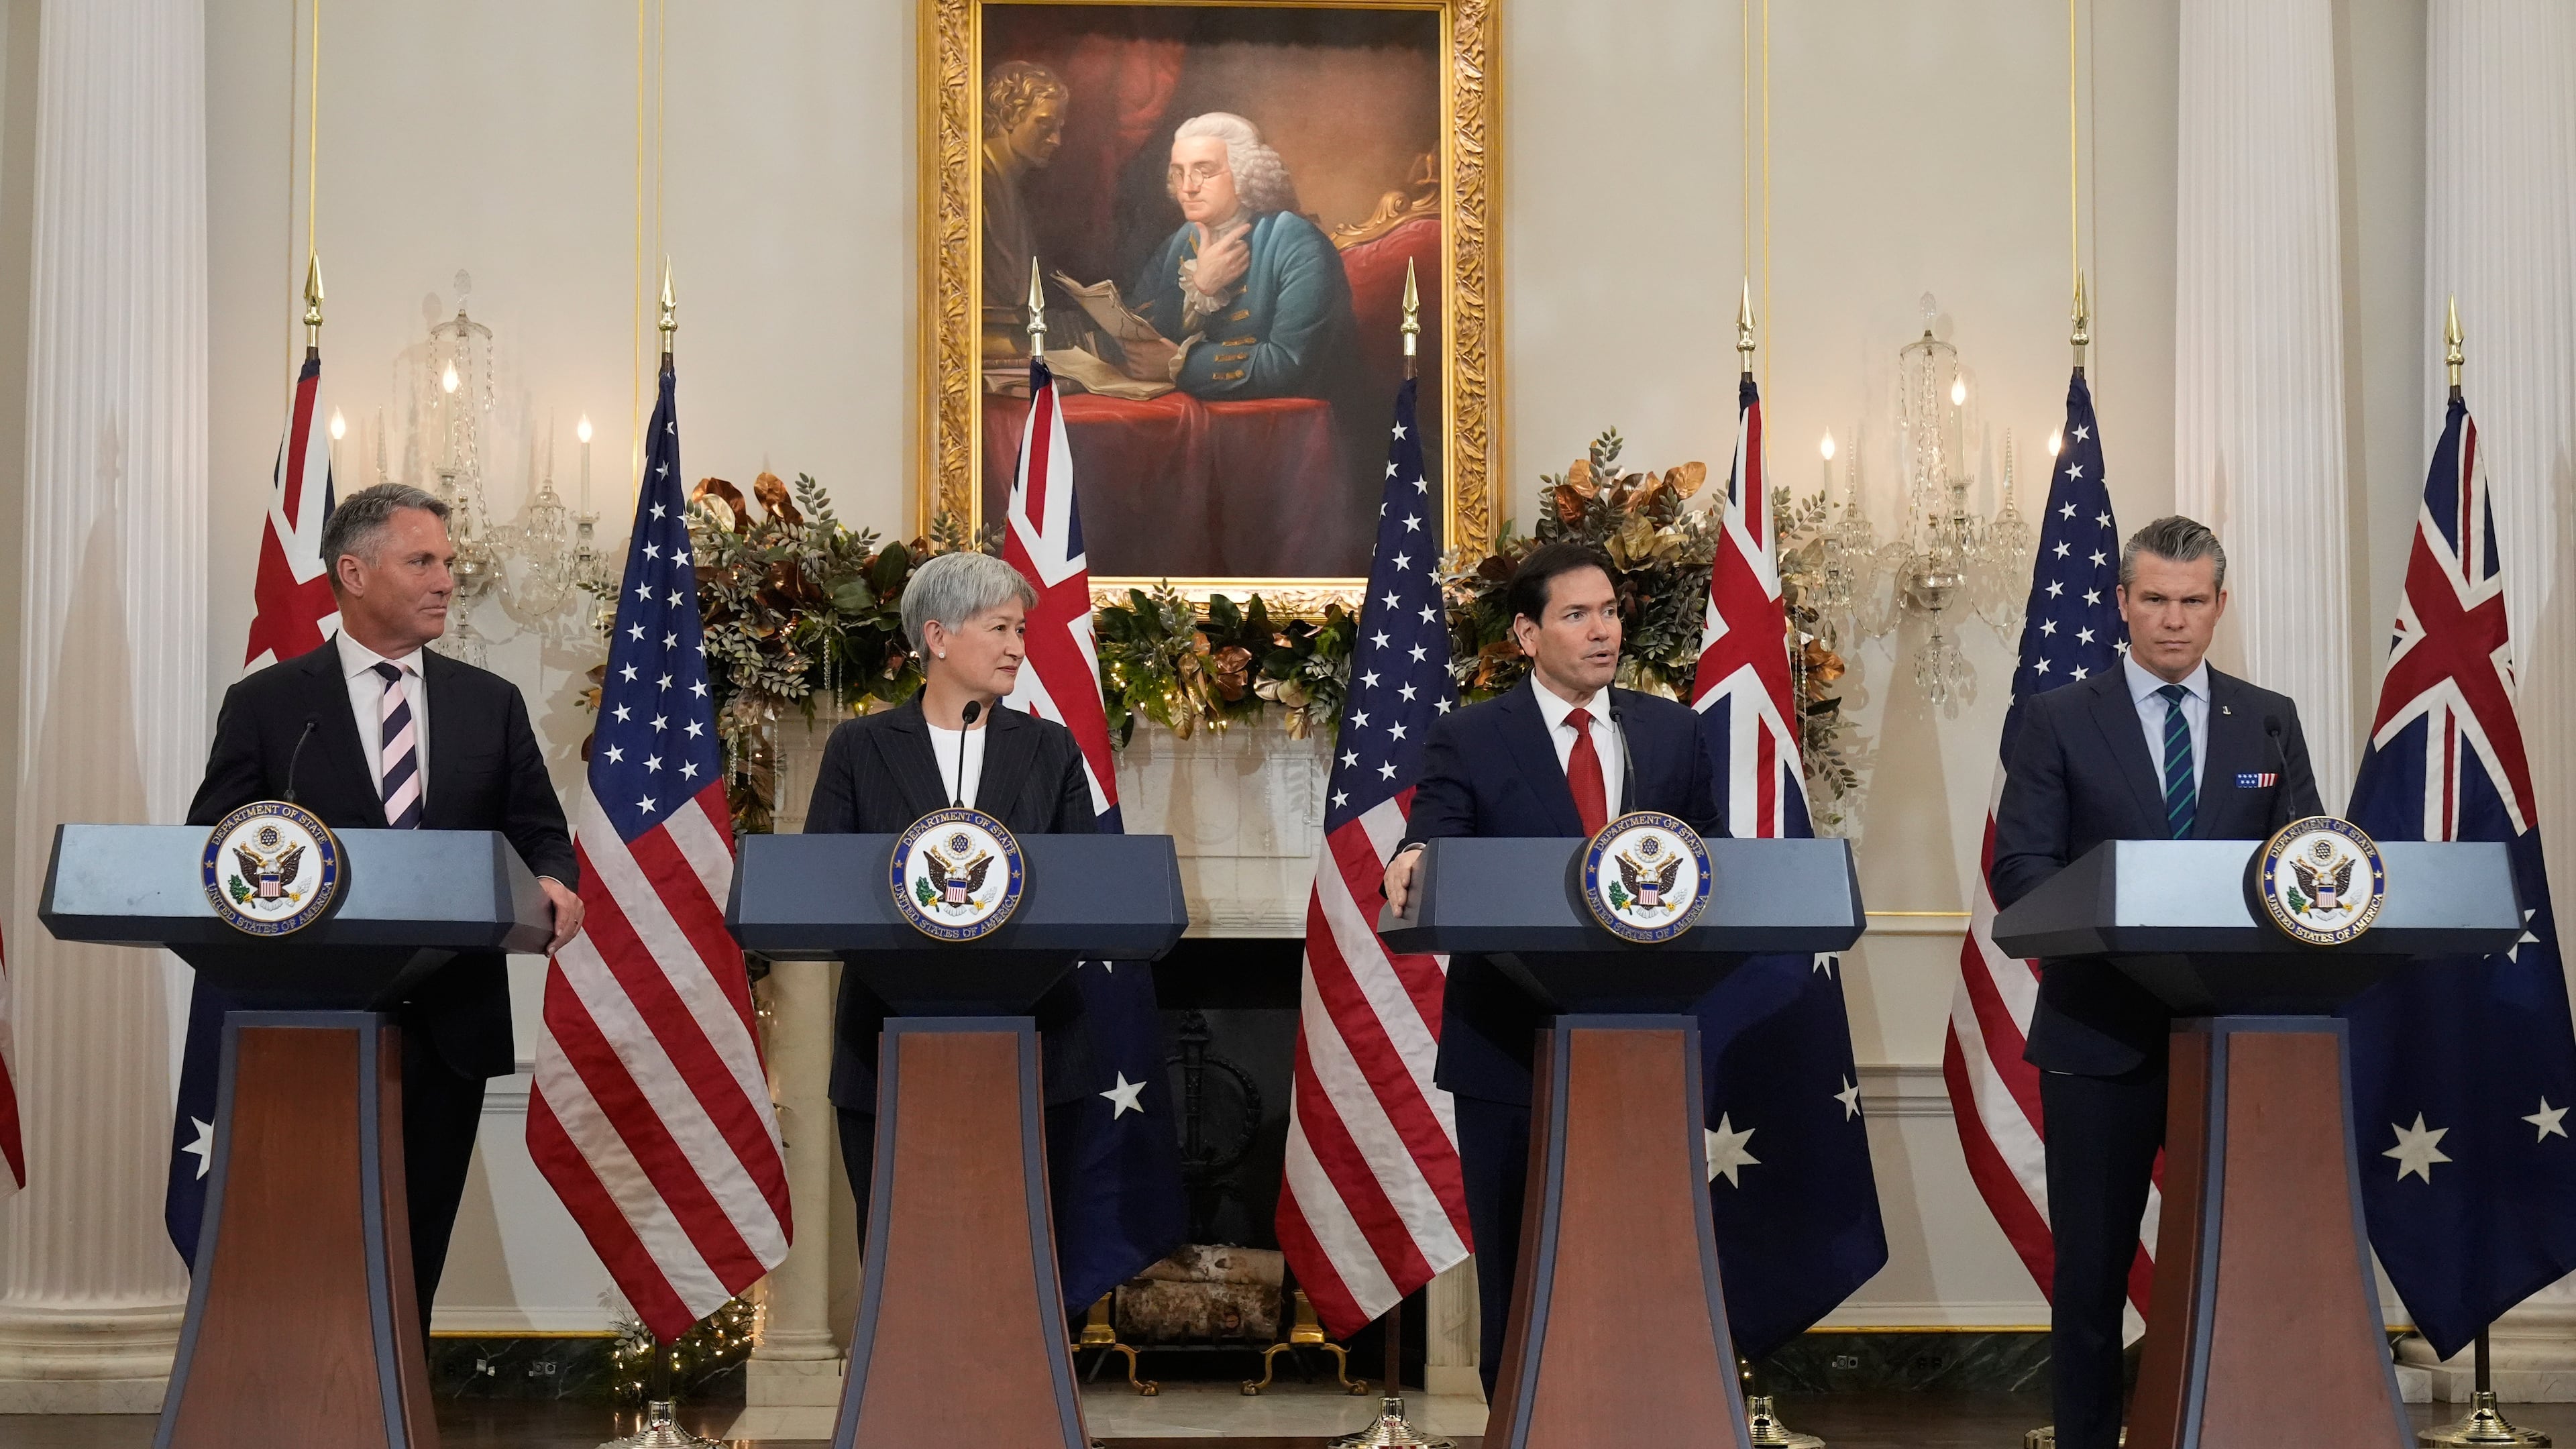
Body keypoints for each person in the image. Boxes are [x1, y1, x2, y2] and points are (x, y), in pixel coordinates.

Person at [186, 482, 582, 1334]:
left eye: (448, 561)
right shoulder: (268, 706)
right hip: (307, 1023)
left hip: (449, 1025)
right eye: (424, 561)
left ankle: (401, 1412)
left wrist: (555, 881)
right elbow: (208, 849)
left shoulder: (490, 703)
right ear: (353, 573)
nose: (448, 579)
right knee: (306, 1252)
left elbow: (542, 834)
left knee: (414, 1256)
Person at [1989, 515, 2322, 1449]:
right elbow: (2019, 876)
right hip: (2100, 1035)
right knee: (2092, 1279)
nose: (2173, 621)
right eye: (2155, 601)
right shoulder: (2056, 717)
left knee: (2248, 1265)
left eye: (2192, 602)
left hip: (2242, 1037)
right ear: (2122, 604)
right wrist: (2130, 915)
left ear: (2220, 605)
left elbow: (2309, 869)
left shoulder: (2268, 718)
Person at [1381, 541, 1719, 1399]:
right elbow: (1438, 835)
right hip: (1508, 1040)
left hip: (1643, 1040)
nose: (1602, 631)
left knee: (1639, 1254)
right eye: (1577, 615)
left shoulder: (1671, 732)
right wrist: (1416, 854)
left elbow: (1713, 870)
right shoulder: (1471, 734)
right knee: (1518, 1254)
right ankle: (1519, 1415)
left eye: (1609, 611)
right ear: (1528, 635)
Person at [802, 550, 1099, 1218]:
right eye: (999, 628)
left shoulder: (1051, 750)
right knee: (901, 1254)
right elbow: (820, 882)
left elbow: (1089, 885)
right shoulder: (860, 747)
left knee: (1027, 1255)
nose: (1017, 648)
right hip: (885, 1044)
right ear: (937, 637)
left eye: (1021, 631)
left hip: (1037, 1045)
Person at [1118, 111, 1359, 407]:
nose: (1187, 187)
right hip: (1197, 413)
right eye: (1179, 172)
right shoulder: (1182, 239)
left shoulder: (1295, 241)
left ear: (1246, 173)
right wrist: (1199, 289)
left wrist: (1179, 364)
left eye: (1204, 171)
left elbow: (1288, 365)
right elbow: (1142, 321)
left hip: (1287, 427)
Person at [981, 60, 1070, 357]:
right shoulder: (972, 185)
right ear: (1008, 115)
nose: (1056, 141)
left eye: (1059, 128)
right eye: (1044, 125)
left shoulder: (1007, 186)